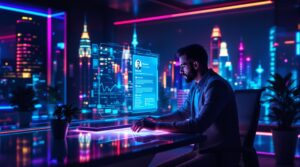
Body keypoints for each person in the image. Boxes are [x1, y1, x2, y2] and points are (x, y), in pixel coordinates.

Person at [131, 44, 241, 166]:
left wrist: (156, 126)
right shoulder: (196, 86)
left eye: (183, 66)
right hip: (204, 150)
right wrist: (157, 119)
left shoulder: (216, 86)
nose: (180, 71)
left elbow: (198, 125)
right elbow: (183, 113)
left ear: (195, 65)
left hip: (221, 155)